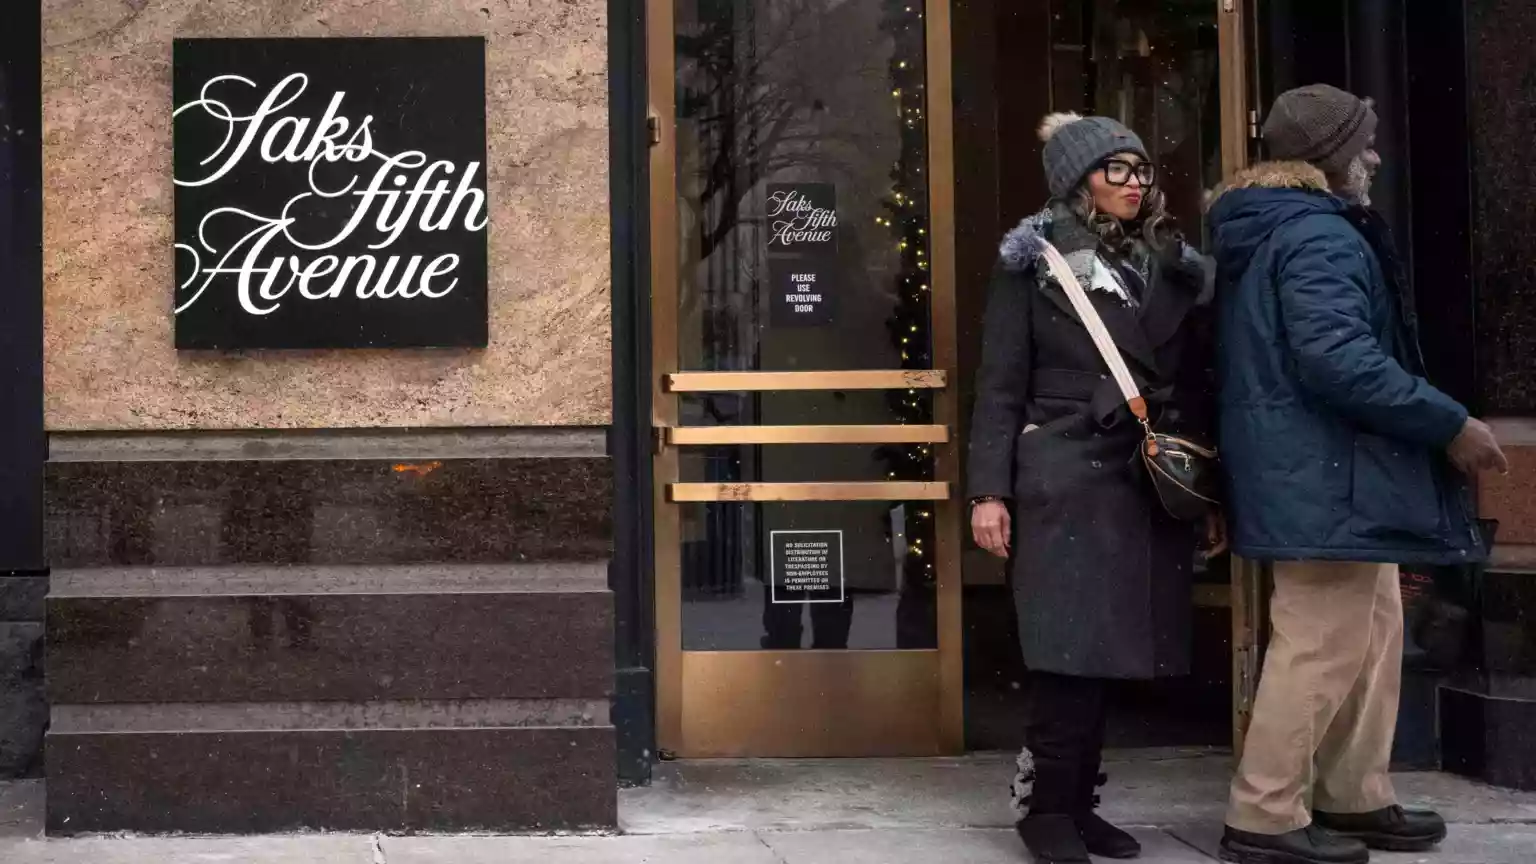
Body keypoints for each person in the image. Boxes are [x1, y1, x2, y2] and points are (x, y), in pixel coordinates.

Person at [1207, 84, 1509, 864]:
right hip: (1325, 470)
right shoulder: (1318, 235)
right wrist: (1450, 424)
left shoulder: (1286, 228)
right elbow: (1336, 358)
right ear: (1330, 156)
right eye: (1362, 145)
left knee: (1372, 629)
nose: (1374, 157)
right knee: (1320, 641)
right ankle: (1265, 814)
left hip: (1324, 468)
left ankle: (1351, 792)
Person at [968, 112, 1222, 864]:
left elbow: (1199, 385)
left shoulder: (1173, 263)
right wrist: (989, 491)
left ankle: (1080, 804)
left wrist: (1209, 493)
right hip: (1064, 473)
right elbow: (1000, 384)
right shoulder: (1034, 261)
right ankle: (1046, 809)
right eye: (1118, 170)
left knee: (1110, 655)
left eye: (1142, 170)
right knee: (1066, 654)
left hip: (1145, 479)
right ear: (1079, 179)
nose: (1136, 184)